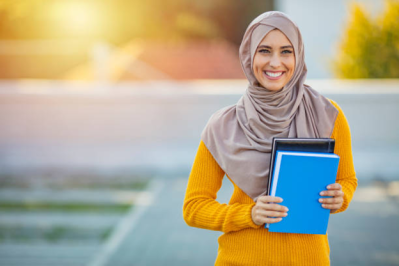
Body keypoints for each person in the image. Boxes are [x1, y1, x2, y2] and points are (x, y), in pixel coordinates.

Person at [183, 11, 357, 266]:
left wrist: (341, 197)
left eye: (286, 51)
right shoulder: (223, 126)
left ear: (298, 55)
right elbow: (193, 207)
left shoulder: (327, 115)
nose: (276, 62)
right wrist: (249, 214)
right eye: (264, 50)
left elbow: (347, 179)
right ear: (248, 55)